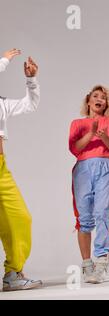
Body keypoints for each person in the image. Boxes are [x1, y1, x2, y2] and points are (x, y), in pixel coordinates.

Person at [69, 85, 109, 284]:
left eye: (104, 97)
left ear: (106, 103)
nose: (100, 99)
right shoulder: (77, 123)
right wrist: (90, 133)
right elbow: (74, 149)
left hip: (105, 167)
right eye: (96, 96)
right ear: (88, 100)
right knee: (83, 217)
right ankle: (87, 264)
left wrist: (104, 137)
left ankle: (102, 260)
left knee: (102, 213)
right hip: (82, 169)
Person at [0, 48, 43, 291]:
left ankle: (13, 274)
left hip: (1, 170)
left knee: (20, 219)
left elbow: (30, 105)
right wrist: (5, 60)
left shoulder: (2, 105)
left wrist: (31, 79)